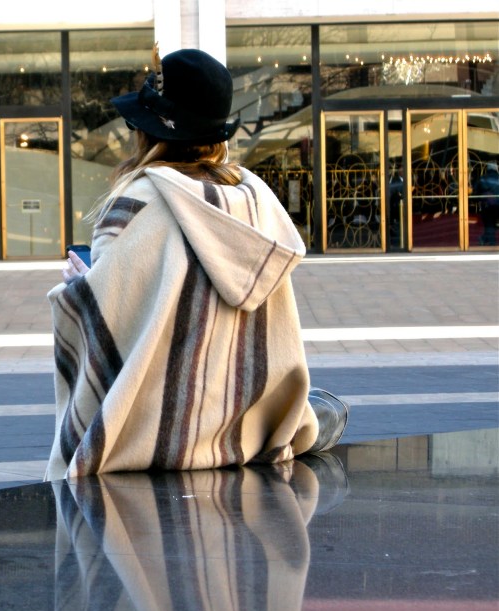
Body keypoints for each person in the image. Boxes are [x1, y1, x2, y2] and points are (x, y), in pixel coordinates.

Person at [44, 47, 347, 480]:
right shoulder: (255, 206)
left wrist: (86, 291)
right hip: (244, 429)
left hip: (151, 438)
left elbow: (117, 342)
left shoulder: (134, 205)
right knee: (322, 404)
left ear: (149, 134)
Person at [473, 161, 499, 246]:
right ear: (496, 169)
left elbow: (475, 192)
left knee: (489, 224)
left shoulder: (482, 179)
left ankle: (490, 242)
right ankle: (486, 239)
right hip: (498, 205)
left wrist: (478, 200)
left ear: (487, 169)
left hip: (486, 205)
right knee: (492, 224)